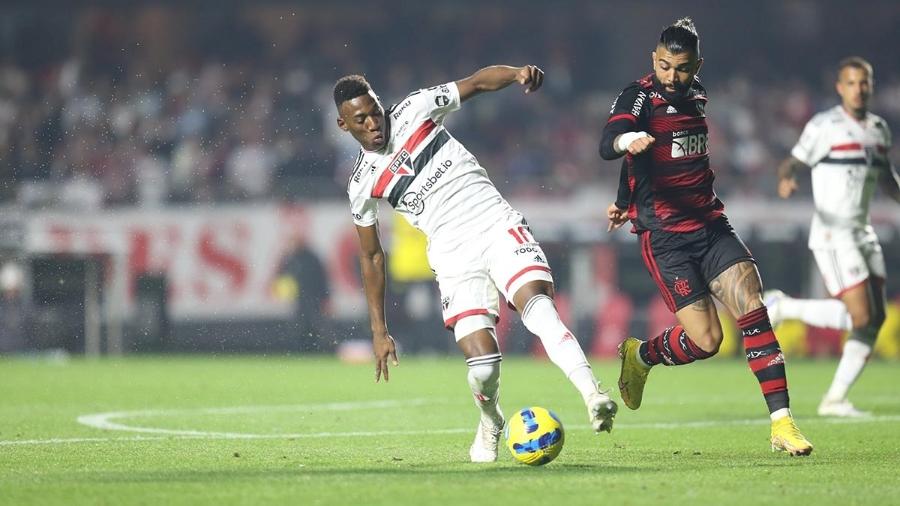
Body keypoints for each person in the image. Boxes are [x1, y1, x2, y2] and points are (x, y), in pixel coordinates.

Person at [334, 65, 617, 463]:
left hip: (496, 224)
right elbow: (371, 255)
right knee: (483, 367)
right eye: (360, 119)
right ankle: (490, 420)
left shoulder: (415, 108)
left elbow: (478, 83)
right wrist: (379, 330)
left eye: (375, 112)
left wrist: (517, 73)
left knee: (540, 312)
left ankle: (594, 395)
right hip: (453, 256)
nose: (373, 124)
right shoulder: (361, 184)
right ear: (343, 125)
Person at [600, 17, 813, 455]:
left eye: (681, 68)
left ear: (698, 65)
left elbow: (651, 159)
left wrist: (624, 197)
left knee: (752, 305)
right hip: (665, 237)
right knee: (708, 342)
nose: (671, 77)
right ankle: (640, 356)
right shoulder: (638, 96)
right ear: (653, 61)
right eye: (663, 66)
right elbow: (610, 143)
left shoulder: (697, 94)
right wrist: (627, 143)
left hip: (712, 225)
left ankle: (782, 423)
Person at [766, 57, 899, 417]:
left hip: (862, 231)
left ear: (871, 86)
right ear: (840, 88)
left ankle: (836, 398)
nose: (859, 89)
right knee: (861, 316)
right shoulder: (825, 125)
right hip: (833, 232)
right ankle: (783, 308)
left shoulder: (879, 130)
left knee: (875, 320)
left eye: (864, 83)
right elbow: (794, 160)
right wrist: (788, 177)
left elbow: (887, 178)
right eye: (852, 83)